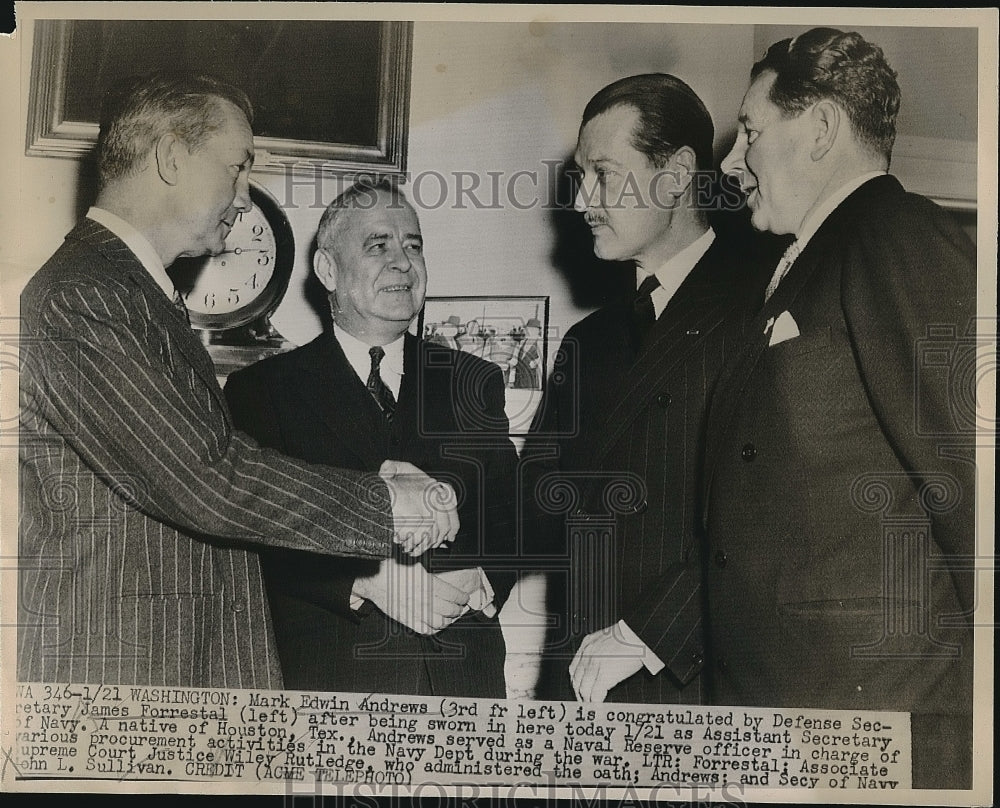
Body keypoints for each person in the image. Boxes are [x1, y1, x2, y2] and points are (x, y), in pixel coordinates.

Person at [18, 74, 458, 689]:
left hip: (174, 668)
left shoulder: (134, 292)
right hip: (128, 676)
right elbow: (206, 478)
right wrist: (386, 505)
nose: (246, 196)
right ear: (172, 158)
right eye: (237, 168)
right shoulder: (86, 295)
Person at [707, 28, 975, 789]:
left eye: (751, 132)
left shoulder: (896, 233)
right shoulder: (801, 263)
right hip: (794, 712)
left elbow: (976, 479)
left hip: (878, 724)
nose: (733, 161)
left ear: (821, 128)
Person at [524, 74, 770, 704]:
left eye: (603, 174)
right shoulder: (589, 340)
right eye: (582, 178)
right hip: (575, 689)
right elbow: (531, 506)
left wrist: (647, 633)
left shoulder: (760, 312)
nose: (583, 202)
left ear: (678, 173)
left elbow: (771, 520)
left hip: (688, 693)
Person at [224, 181, 518, 697]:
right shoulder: (263, 390)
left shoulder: (475, 381)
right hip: (334, 687)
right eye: (379, 245)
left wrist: (481, 576)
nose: (403, 262)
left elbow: (515, 514)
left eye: (414, 245)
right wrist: (365, 579)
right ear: (328, 270)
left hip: (463, 684)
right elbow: (248, 535)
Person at [506, 318, 543, 389]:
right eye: (528, 329)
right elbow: (515, 360)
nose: (530, 331)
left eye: (533, 329)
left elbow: (542, 360)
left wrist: (536, 362)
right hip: (518, 379)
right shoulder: (522, 342)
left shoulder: (540, 343)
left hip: (530, 380)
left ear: (538, 330)